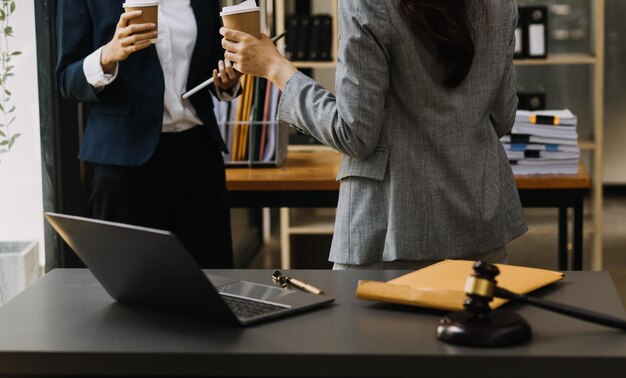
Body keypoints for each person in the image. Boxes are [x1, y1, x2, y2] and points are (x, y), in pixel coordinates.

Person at [220, 0, 528, 269]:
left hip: (389, 231)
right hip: (479, 224)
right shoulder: (499, 4)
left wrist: (276, 68)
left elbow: (352, 134)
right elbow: (502, 117)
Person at [56, 0, 241, 268]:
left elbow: (214, 59)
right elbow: (66, 81)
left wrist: (228, 80)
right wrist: (109, 54)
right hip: (124, 164)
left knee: (214, 282)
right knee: (132, 288)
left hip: (198, 156)